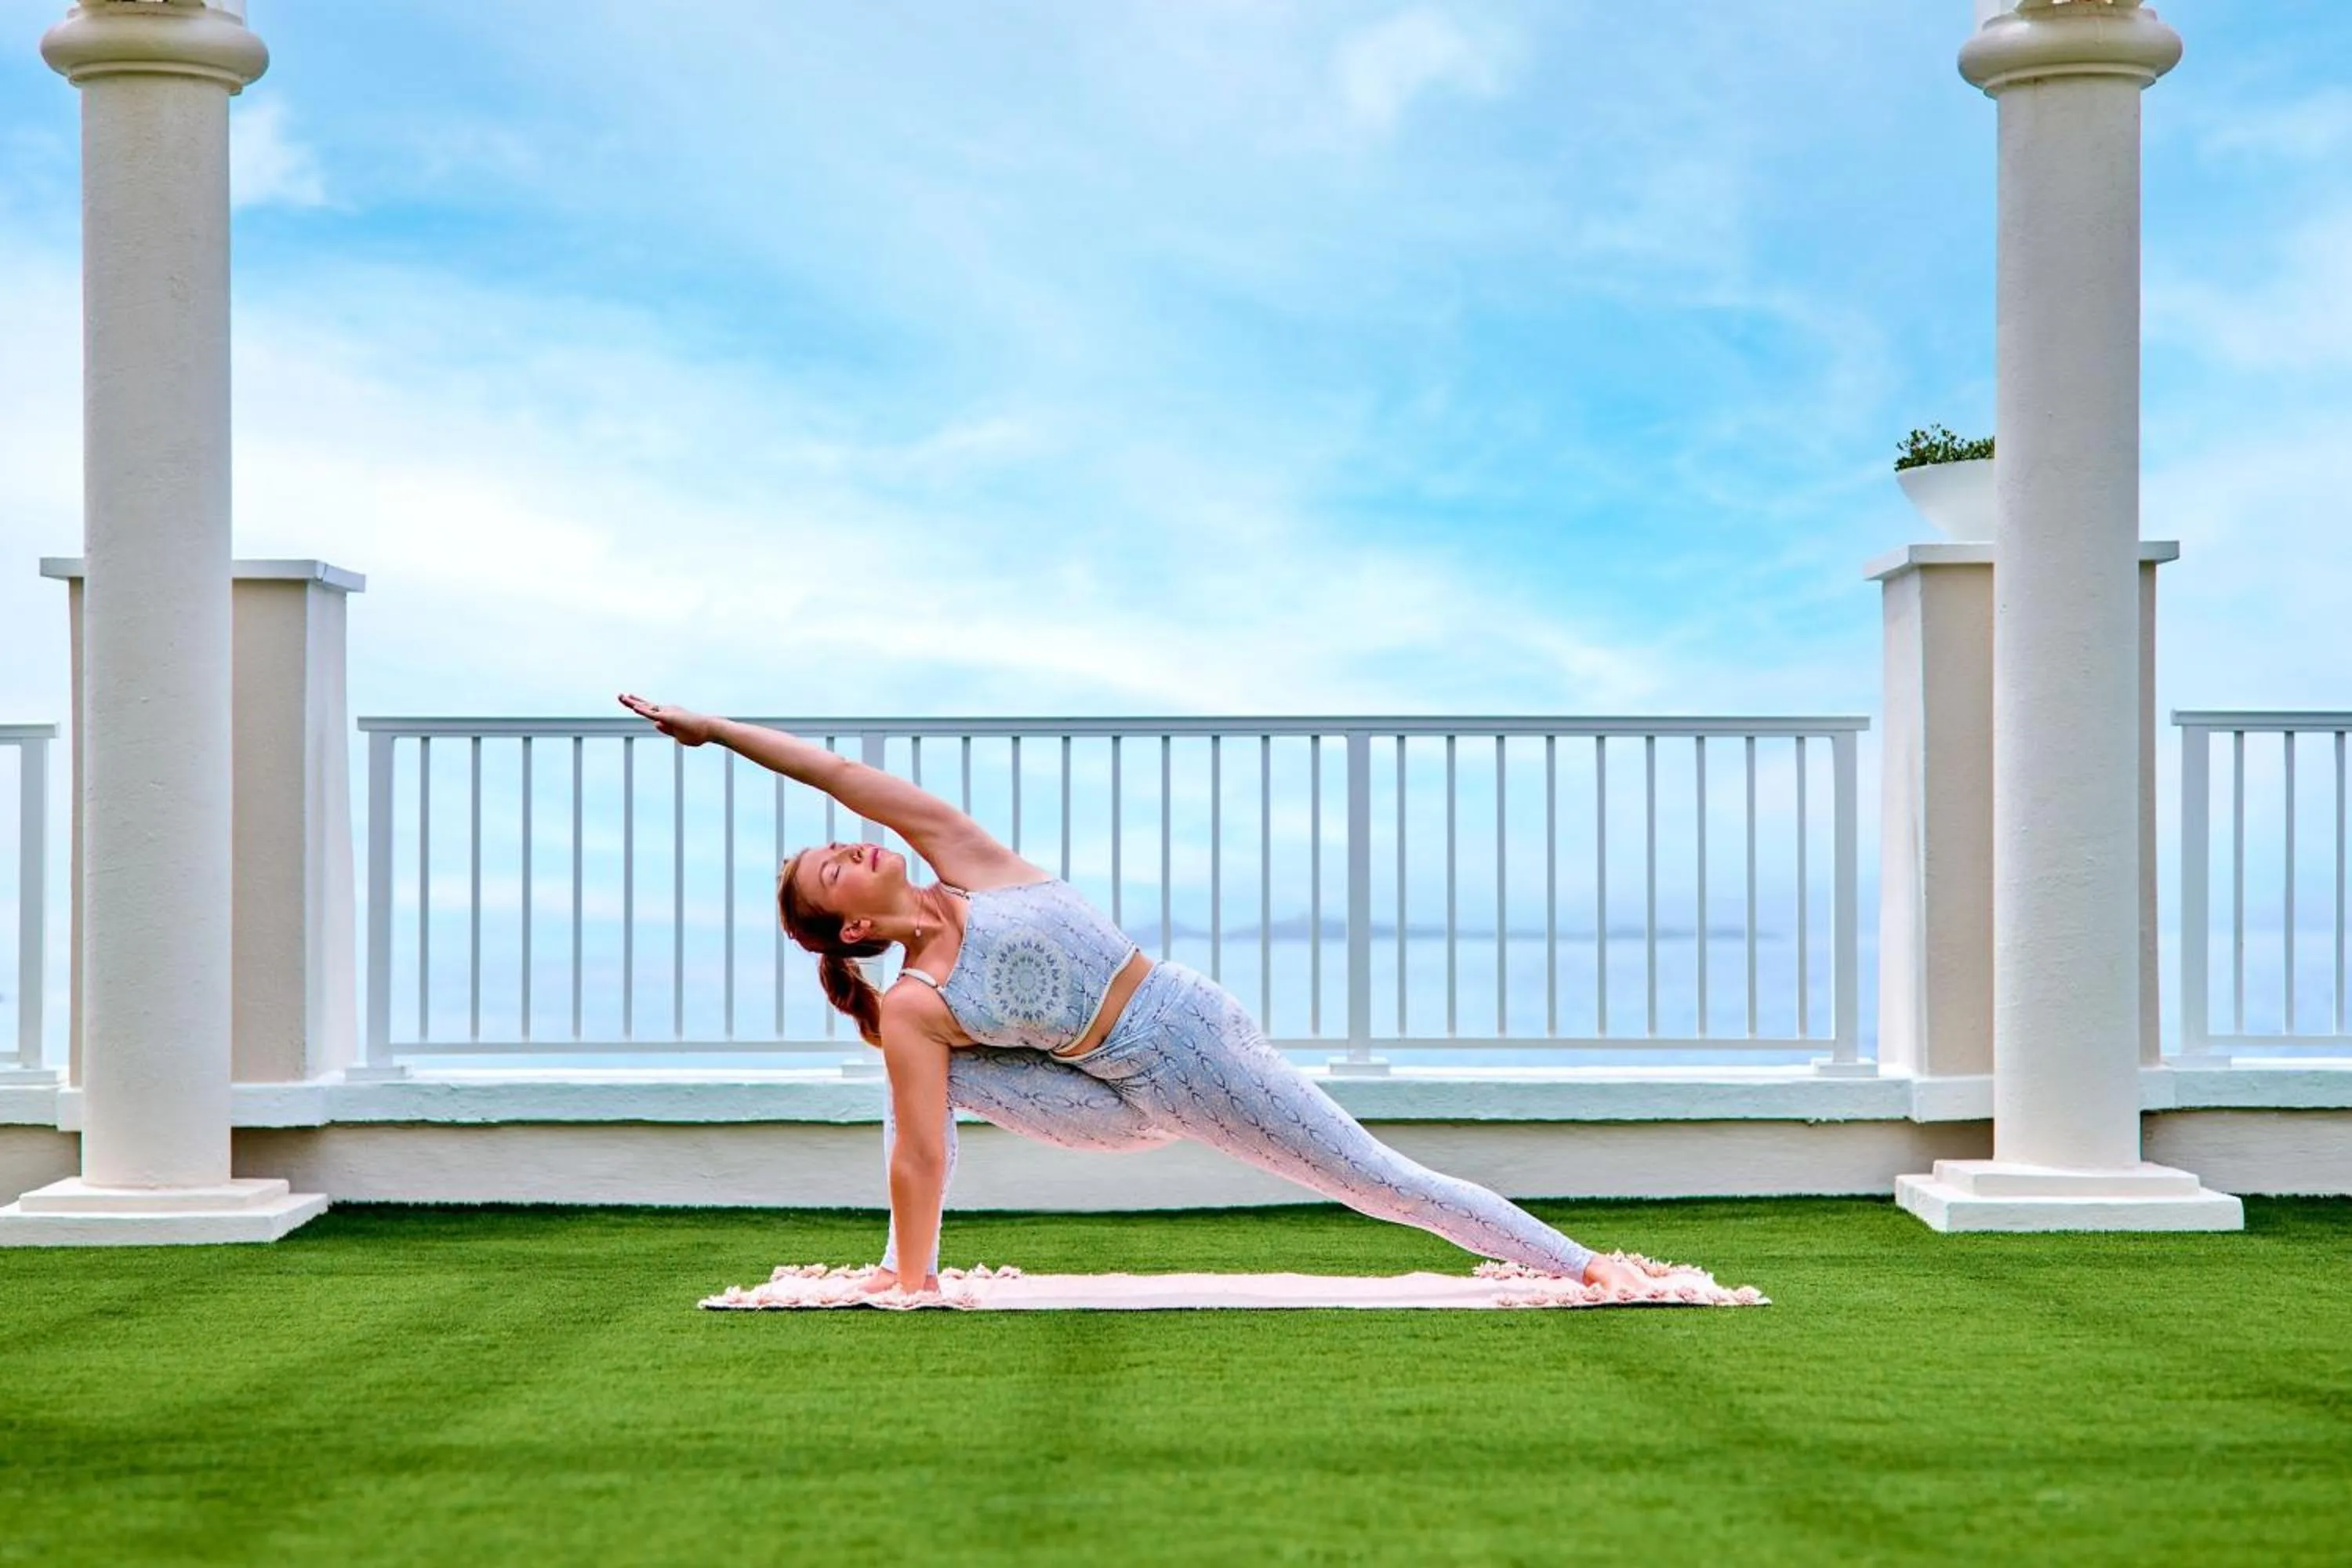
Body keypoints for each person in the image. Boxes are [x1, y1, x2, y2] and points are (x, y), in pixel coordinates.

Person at [618, 695, 1651, 1301]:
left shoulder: (970, 863)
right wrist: (922, 1284)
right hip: (1101, 1110)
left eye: (836, 844)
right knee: (908, 1057)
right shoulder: (918, 998)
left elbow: (842, 772)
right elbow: (921, 1145)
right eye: (831, 870)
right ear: (852, 928)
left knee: (1372, 1178)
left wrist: (716, 730)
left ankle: (1592, 1268)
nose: (847, 846)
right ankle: (909, 1272)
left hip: (1187, 1043)